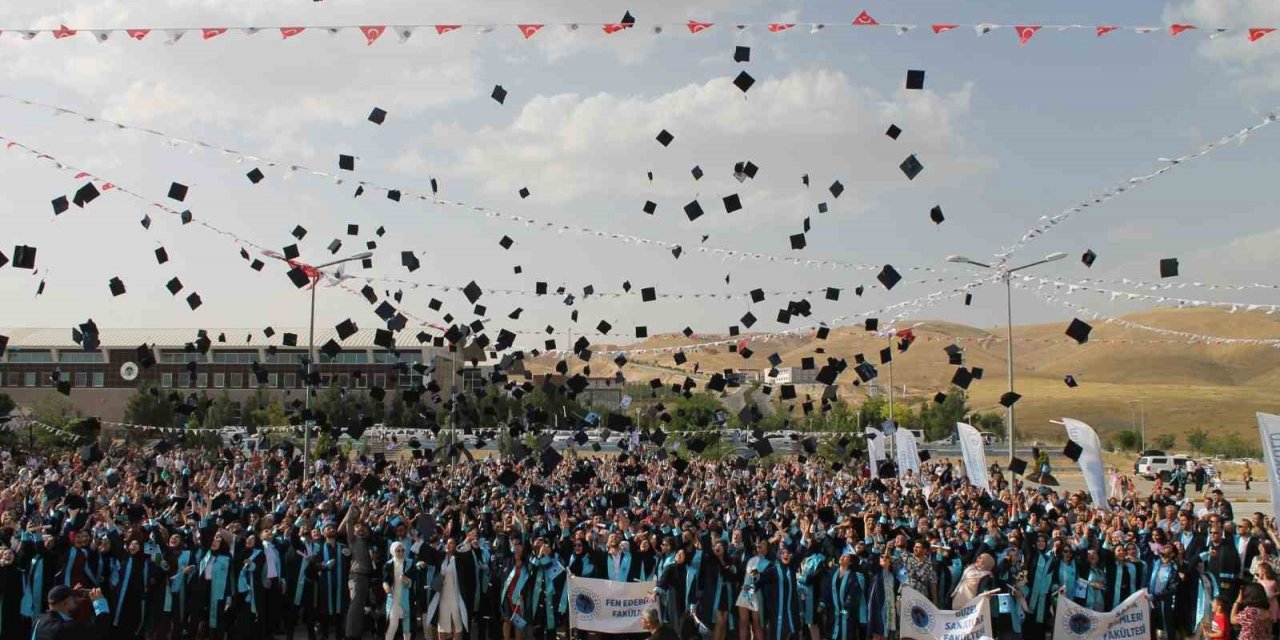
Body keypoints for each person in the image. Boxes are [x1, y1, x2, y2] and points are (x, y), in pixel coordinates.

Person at [31, 586, 110, 640]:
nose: (76, 600)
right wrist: (100, 603)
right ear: (65, 603)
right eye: (73, 599)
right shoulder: (65, 628)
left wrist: (71, 595)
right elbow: (98, 629)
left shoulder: (38, 621)